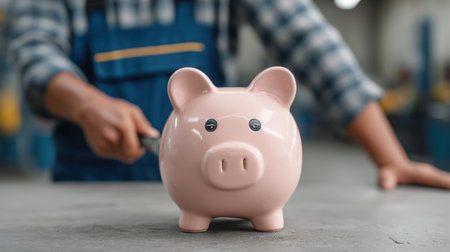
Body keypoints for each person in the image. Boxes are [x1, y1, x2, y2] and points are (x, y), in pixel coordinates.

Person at [8, 0, 450, 189]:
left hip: (217, 201)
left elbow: (314, 47)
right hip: (91, 187)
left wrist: (392, 159)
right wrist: (85, 104)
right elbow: (33, 53)